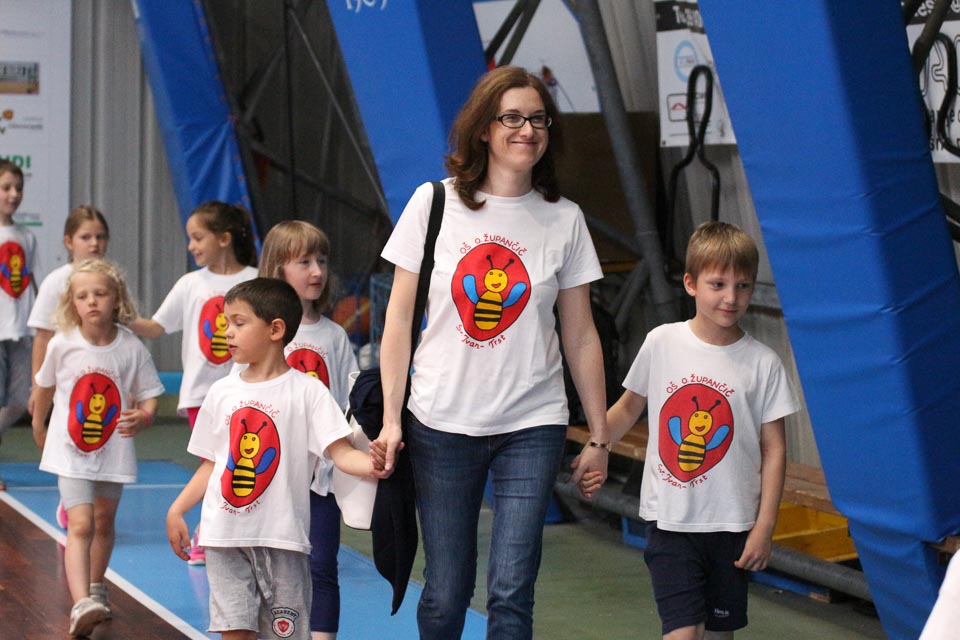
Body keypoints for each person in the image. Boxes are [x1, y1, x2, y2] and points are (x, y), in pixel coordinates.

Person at [377, 65, 611, 639]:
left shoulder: (564, 219)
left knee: (512, 590)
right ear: (483, 128)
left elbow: (581, 335)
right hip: (440, 421)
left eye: (538, 119)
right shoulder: (434, 203)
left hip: (532, 423)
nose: (527, 130)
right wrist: (390, 420)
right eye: (512, 118)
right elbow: (399, 320)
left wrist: (600, 436)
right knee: (446, 592)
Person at [583, 221, 799, 640]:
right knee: (683, 632)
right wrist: (597, 444)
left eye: (742, 286)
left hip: (733, 525)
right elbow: (628, 408)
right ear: (690, 284)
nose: (730, 297)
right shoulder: (662, 342)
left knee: (719, 633)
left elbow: (774, 449)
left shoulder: (764, 363)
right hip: (672, 523)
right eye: (718, 284)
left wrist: (764, 527)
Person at [165, 278, 391, 640]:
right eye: (226, 322)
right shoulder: (222, 392)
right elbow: (211, 463)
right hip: (224, 537)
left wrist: (372, 465)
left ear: (275, 330)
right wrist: (178, 509)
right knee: (235, 631)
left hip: (283, 540)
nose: (227, 331)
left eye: (239, 323)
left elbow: (341, 453)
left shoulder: (308, 392)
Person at [31, 258, 163, 638]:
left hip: (112, 450)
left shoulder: (131, 347)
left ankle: (95, 585)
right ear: (72, 303)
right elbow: (44, 386)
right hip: (69, 451)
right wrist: (39, 425)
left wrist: (145, 416)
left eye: (100, 294)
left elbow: (150, 393)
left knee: (104, 522)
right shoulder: (63, 344)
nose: (91, 301)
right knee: (81, 523)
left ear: (116, 298)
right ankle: (81, 603)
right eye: (82, 296)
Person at [129, 200, 258, 564]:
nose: (191, 246)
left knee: (235, 463)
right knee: (215, 465)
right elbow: (157, 327)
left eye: (198, 238)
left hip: (247, 392)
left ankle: (225, 532)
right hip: (202, 395)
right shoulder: (191, 284)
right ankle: (208, 532)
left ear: (224, 239)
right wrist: (121, 318)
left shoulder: (255, 280)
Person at [256, 220, 358, 640]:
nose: (317, 271)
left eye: (322, 261)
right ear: (278, 269)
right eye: (304, 262)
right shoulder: (262, 333)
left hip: (321, 481)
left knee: (321, 567)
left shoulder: (334, 336)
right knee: (271, 571)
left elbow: (348, 406)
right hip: (270, 477)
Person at [27, 204, 110, 528]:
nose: (94, 243)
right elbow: (43, 336)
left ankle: (94, 505)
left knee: (100, 440)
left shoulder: (111, 279)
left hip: (101, 378)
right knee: (71, 437)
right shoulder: (57, 281)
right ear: (68, 242)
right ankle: (72, 500)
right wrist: (38, 384)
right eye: (86, 237)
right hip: (67, 380)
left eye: (100, 237)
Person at [0, 159, 39, 491]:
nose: (13, 194)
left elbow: (33, 282)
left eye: (18, 188)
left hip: (21, 331)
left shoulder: (27, 236)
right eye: (6, 188)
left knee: (18, 401)